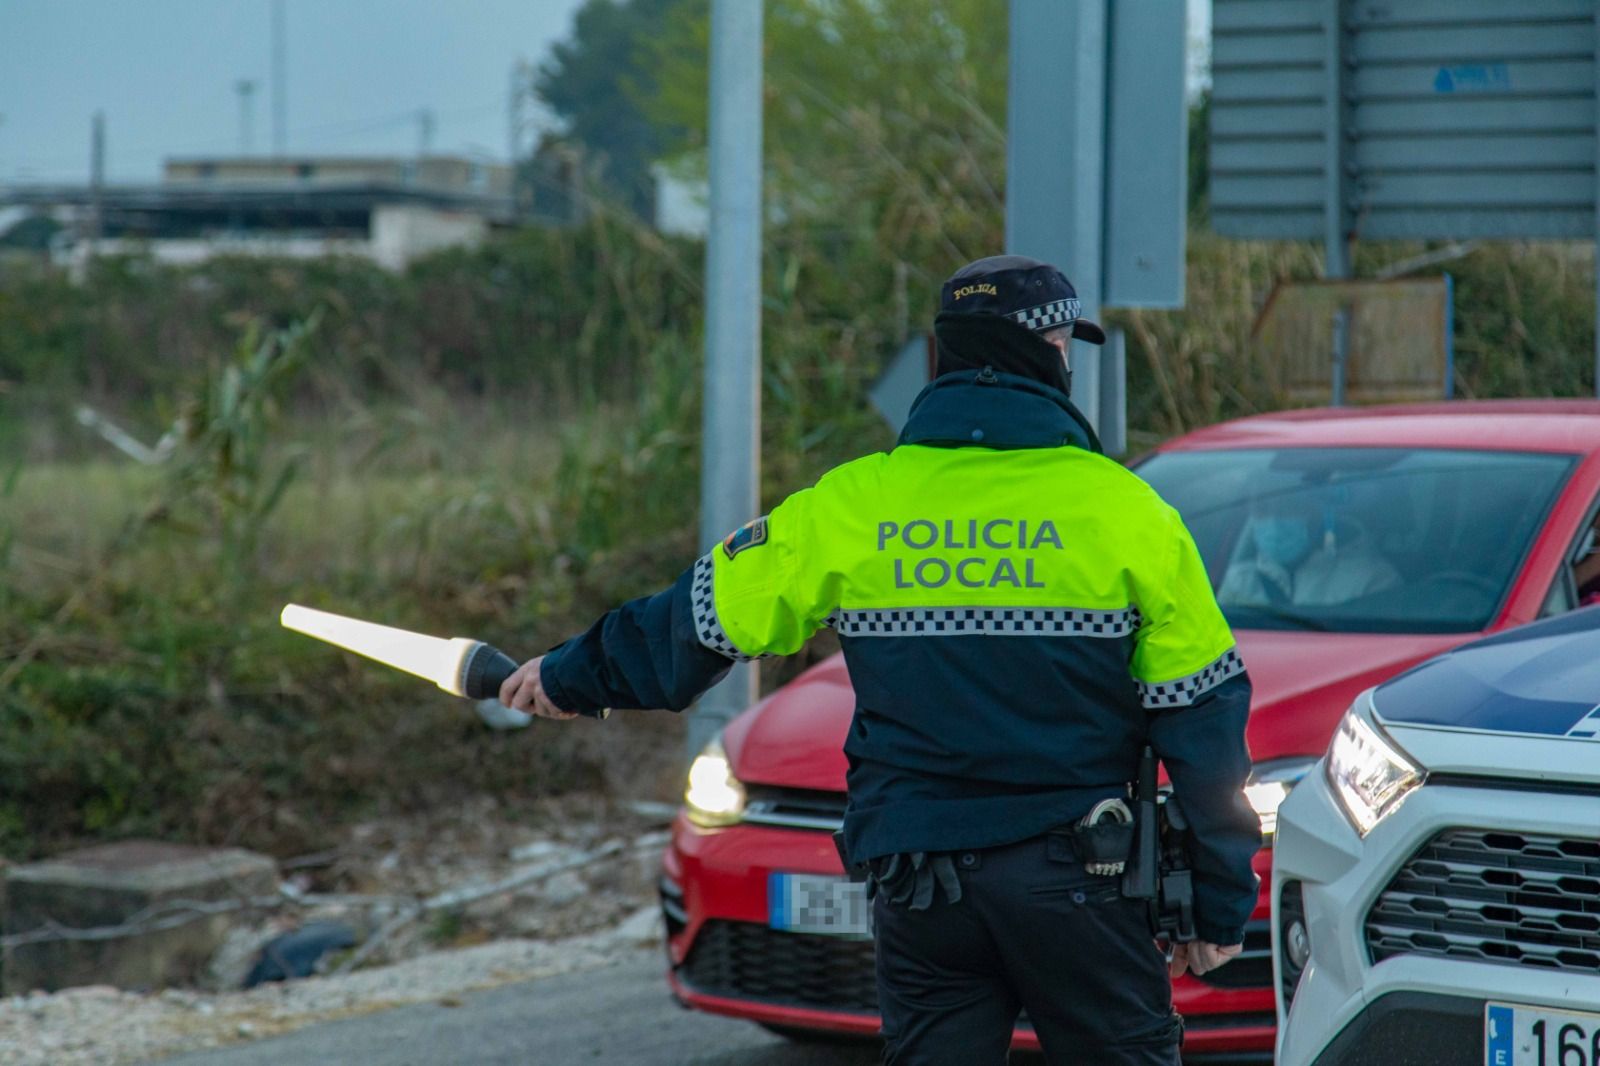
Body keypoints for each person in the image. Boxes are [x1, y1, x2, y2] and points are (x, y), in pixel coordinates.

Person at [500, 255, 1259, 1066]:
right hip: (1076, 878)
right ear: (1044, 352)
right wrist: (1217, 900)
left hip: (920, 884)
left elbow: (691, 623)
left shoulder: (853, 503)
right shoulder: (1126, 510)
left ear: (949, 359)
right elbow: (1203, 715)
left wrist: (563, 675)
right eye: (1066, 343)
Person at [1219, 496, 1401, 608]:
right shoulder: (1238, 582)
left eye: (1288, 508)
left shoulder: (1371, 580)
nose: (1273, 521)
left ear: (1318, 513)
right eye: (1262, 509)